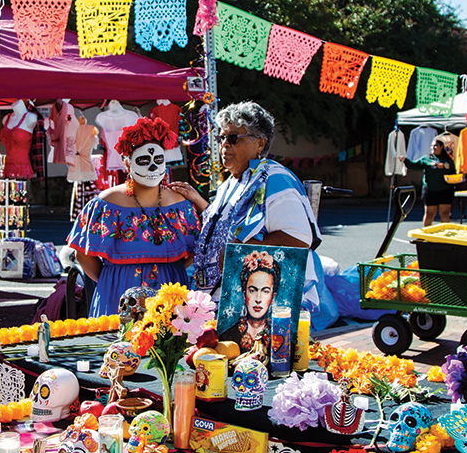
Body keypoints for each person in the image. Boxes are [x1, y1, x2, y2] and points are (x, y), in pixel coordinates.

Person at [170, 101, 335, 330]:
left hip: (254, 315)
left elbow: (298, 238)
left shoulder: (273, 179)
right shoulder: (233, 182)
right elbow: (224, 227)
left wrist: (240, 251)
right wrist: (199, 202)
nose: (224, 145)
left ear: (260, 143)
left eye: (233, 138)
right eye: (222, 138)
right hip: (218, 305)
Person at [67, 117, 202, 316]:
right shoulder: (105, 204)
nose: (153, 167)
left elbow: (193, 250)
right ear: (127, 164)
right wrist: (110, 281)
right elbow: (84, 254)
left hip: (168, 295)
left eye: (158, 160)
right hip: (117, 294)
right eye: (143, 161)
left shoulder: (181, 204)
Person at [219, 250, 281, 353]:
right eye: (252, 291)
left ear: (273, 297)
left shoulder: (281, 338)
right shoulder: (227, 336)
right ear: (244, 295)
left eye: (265, 291)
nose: (258, 299)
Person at [406, 138, 456, 227]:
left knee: (444, 213)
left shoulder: (448, 159)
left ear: (441, 147)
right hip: (430, 190)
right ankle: (426, 235)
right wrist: (404, 160)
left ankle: (444, 235)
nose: (433, 147)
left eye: (436, 145)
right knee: (430, 213)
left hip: (445, 190)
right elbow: (414, 165)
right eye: (432, 146)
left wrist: (445, 167)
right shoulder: (426, 158)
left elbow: (453, 171)